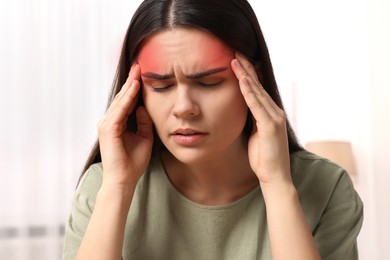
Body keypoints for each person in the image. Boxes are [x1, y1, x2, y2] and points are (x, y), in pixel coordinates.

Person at [62, 0, 363, 259]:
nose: (183, 107)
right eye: (161, 85)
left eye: (209, 83)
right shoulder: (103, 187)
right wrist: (118, 188)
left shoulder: (326, 187)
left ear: (254, 80)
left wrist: (277, 184)